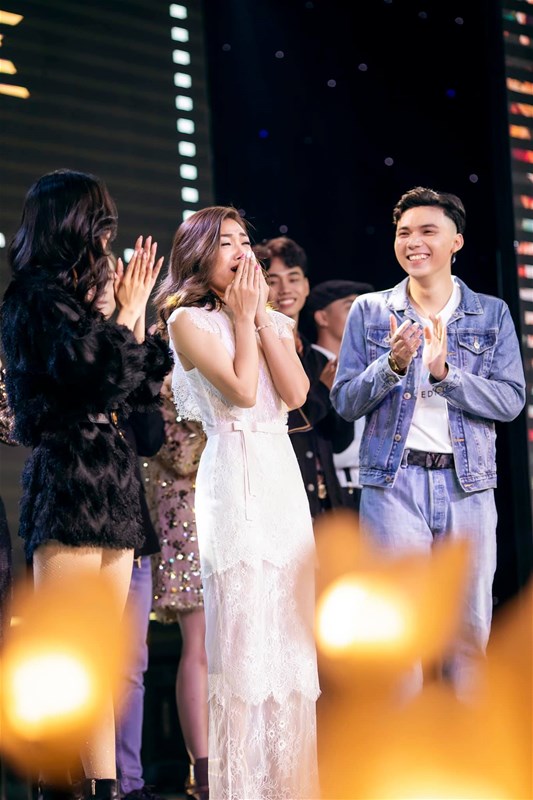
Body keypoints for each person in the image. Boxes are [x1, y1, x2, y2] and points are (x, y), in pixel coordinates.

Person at [0, 169, 171, 800]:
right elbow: (88, 374)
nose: (108, 236)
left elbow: (137, 389)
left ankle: (102, 786)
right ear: (70, 224)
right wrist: (123, 312)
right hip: (69, 478)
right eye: (99, 222)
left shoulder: (78, 301)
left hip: (114, 483)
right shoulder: (34, 299)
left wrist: (131, 313)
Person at [331, 186, 526, 699]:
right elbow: (344, 401)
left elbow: (511, 401)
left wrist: (445, 373)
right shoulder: (371, 311)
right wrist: (392, 364)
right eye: (403, 233)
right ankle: (400, 747)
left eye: (427, 231)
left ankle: (471, 745)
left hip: (469, 486)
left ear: (455, 241)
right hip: (393, 486)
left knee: (467, 634)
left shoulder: (491, 314)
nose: (413, 242)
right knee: (398, 637)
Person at [154, 207, 320, 799]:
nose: (240, 250)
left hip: (280, 476)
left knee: (289, 635)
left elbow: (296, 394)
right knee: (244, 638)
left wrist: (262, 319)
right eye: (226, 242)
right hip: (232, 477)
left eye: (244, 240)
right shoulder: (186, 322)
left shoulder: (271, 318)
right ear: (199, 254)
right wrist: (246, 318)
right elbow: (244, 392)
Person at [144, 372, 209, 800]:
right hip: (184, 518)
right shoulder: (159, 379)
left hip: (222, 510)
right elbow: (179, 454)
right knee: (198, 645)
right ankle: (203, 768)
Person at [253, 237, 348, 518]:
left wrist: (340, 394)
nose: (285, 289)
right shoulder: (255, 355)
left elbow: (340, 440)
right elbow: (286, 423)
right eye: (273, 280)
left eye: (293, 278)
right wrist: (322, 390)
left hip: (327, 502)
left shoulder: (318, 359)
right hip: (282, 500)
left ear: (306, 286)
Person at [115, 407, 167, 800]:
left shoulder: (130, 386)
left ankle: (129, 781)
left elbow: (151, 439)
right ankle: (98, 779)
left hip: (134, 536)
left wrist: (141, 382)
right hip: (83, 527)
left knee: (133, 668)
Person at [307, 279, 374, 511]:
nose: (361, 316)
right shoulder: (307, 364)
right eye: (350, 307)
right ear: (322, 318)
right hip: (335, 488)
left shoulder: (368, 365)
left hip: (373, 485)